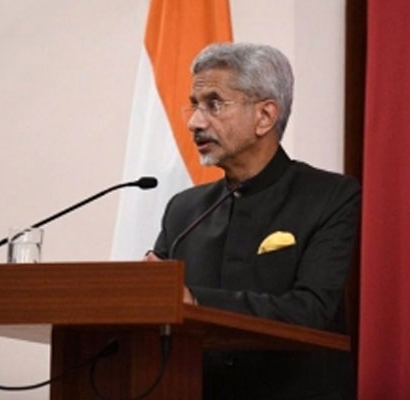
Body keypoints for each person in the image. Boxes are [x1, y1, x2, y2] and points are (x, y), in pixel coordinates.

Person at [145, 43, 360, 400]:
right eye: (195, 105)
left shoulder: (331, 197)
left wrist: (195, 300)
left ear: (264, 116)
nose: (194, 122)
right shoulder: (183, 209)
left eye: (214, 104)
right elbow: (158, 312)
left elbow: (312, 310)